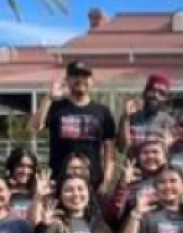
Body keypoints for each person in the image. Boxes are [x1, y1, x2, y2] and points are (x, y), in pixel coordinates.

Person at [31, 61, 118, 190]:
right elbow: (34, 127)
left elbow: (109, 150)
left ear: (92, 81)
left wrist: (107, 180)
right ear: (67, 80)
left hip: (92, 181)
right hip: (59, 180)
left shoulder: (102, 111)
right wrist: (48, 98)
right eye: (75, 76)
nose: (80, 80)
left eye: (85, 76)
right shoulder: (55, 107)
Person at [120, 73, 176, 153]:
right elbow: (122, 148)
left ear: (165, 99)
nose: (156, 95)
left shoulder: (169, 122)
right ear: (145, 92)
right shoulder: (131, 118)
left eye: (161, 93)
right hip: (133, 165)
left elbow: (171, 152)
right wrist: (125, 118)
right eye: (153, 90)